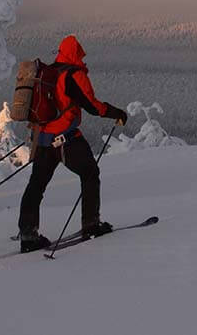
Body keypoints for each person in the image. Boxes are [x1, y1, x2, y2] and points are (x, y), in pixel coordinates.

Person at [17, 35, 128, 253]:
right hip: (66, 140)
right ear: (76, 53)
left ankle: (28, 235)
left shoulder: (47, 73)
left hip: (42, 140)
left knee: (36, 185)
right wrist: (117, 113)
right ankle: (91, 225)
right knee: (90, 173)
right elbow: (93, 106)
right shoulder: (74, 75)